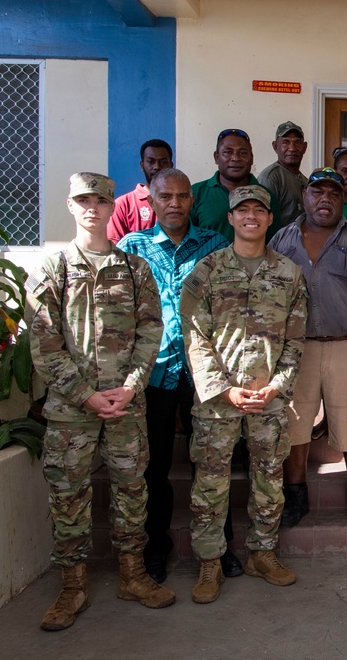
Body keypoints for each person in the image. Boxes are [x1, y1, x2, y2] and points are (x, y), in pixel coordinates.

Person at [25, 172, 174, 631]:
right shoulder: (51, 269)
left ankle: (133, 574)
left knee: (133, 491)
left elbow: (152, 331)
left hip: (126, 406)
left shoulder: (134, 268)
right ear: (70, 206)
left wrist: (130, 386)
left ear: (114, 208)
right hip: (73, 410)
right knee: (69, 496)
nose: (92, 208)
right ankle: (72, 585)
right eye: (83, 200)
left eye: (101, 201)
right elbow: (44, 343)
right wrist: (86, 394)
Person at [180, 184, 307, 604]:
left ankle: (262, 553)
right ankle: (210, 562)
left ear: (270, 219)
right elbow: (195, 337)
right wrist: (223, 389)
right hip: (218, 402)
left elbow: (295, 339)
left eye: (259, 210)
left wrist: (278, 385)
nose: (251, 215)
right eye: (242, 210)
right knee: (211, 484)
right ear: (231, 218)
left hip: (268, 399)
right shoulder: (208, 271)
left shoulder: (289, 273)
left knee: (269, 480)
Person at [117, 168, 239, 584]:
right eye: (165, 196)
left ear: (192, 200)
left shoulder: (214, 245)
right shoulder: (131, 248)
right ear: (150, 201)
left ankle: (219, 547)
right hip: (153, 373)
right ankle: (156, 547)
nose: (174, 203)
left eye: (182, 196)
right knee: (155, 468)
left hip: (205, 372)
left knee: (211, 464)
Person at [269, 168, 347, 529]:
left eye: (333, 194)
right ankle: (295, 495)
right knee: (294, 425)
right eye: (317, 192)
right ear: (304, 197)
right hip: (296, 349)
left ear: (343, 200)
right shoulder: (282, 239)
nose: (325, 199)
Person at [191, 128, 278, 243]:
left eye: (243, 153)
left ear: (252, 159)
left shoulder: (267, 196)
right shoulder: (197, 192)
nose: (236, 158)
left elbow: (273, 244)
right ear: (216, 157)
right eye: (228, 152)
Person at [108, 139, 174, 244]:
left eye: (163, 162)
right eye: (151, 161)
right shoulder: (123, 204)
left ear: (171, 165)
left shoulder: (179, 203)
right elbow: (115, 248)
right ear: (142, 165)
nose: (157, 166)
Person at [257, 120, 309, 227]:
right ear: (275, 146)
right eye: (285, 142)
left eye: (297, 143)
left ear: (304, 148)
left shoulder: (305, 181)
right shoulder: (270, 178)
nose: (292, 148)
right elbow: (262, 221)